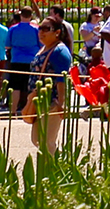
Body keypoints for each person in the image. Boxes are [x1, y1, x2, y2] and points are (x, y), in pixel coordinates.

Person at [25, 16, 74, 152]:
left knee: (46, 141)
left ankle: (52, 169)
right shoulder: (45, 48)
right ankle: (52, 165)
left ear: (57, 32)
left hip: (52, 102)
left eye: (46, 29)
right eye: (40, 28)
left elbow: (62, 79)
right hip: (39, 101)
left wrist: (62, 102)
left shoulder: (60, 51)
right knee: (37, 139)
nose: (41, 32)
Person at [4, 7, 43, 112]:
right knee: (30, 86)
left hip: (16, 59)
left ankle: (13, 110)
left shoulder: (13, 28)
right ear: (31, 16)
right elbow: (41, 45)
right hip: (32, 60)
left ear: (20, 15)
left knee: (15, 86)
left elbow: (7, 46)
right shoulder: (36, 29)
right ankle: (29, 109)